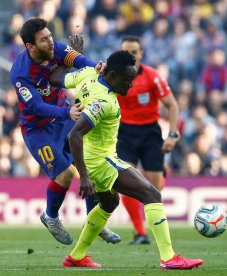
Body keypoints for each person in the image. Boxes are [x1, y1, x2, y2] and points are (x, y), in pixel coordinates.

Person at [50, 50, 203, 269]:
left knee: (110, 202)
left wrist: (69, 58)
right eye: (128, 80)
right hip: (100, 161)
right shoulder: (104, 102)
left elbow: (55, 78)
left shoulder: (87, 73)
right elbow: (74, 134)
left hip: (93, 157)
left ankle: (76, 256)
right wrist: (83, 176)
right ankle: (169, 258)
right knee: (152, 194)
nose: (131, 85)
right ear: (111, 76)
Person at [10, 18, 120, 245]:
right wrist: (66, 113)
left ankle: (95, 222)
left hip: (63, 117)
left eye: (50, 36)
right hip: (37, 129)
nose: (50, 42)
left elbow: (79, 60)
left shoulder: (56, 49)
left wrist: (95, 66)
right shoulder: (20, 73)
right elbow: (36, 106)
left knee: (88, 166)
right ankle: (50, 217)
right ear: (30, 46)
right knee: (66, 175)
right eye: (44, 39)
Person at [117, 36, 180, 244]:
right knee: (126, 181)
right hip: (125, 133)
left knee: (154, 190)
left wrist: (172, 134)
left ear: (141, 54)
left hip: (150, 133)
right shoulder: (113, 76)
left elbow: (172, 105)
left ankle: (163, 174)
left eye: (134, 52)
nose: (130, 55)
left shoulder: (152, 76)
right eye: (126, 51)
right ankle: (140, 232)